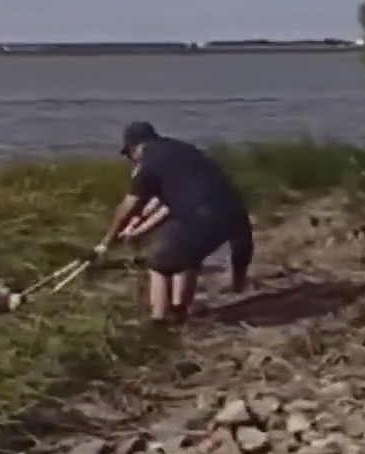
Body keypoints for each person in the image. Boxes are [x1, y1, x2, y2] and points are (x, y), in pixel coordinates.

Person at [93, 122, 254, 326]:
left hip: (204, 216)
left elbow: (130, 205)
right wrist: (138, 230)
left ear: (136, 147)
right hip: (235, 215)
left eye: (128, 154)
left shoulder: (149, 163)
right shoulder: (182, 151)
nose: (130, 160)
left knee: (160, 265)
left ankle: (159, 322)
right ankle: (179, 314)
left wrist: (107, 241)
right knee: (186, 256)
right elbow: (169, 206)